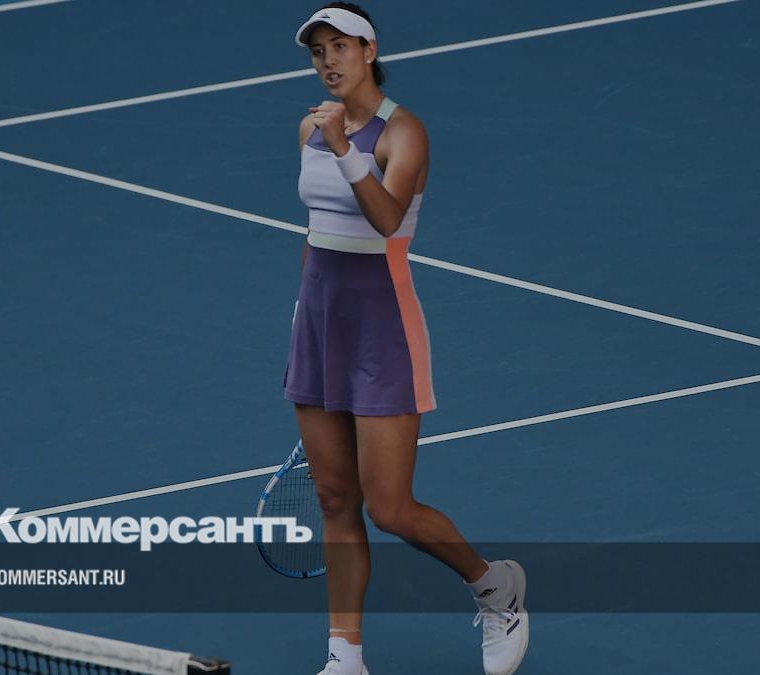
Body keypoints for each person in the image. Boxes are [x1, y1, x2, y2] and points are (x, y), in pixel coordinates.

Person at [283, 4, 530, 674]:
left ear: (369, 52)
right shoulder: (309, 127)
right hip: (319, 328)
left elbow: (387, 219)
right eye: (318, 51)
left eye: (340, 46)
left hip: (382, 330)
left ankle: (495, 588)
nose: (328, 61)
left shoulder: (404, 133)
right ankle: (344, 658)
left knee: (390, 507)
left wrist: (343, 148)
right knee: (335, 499)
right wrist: (304, 314)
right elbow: (318, 232)